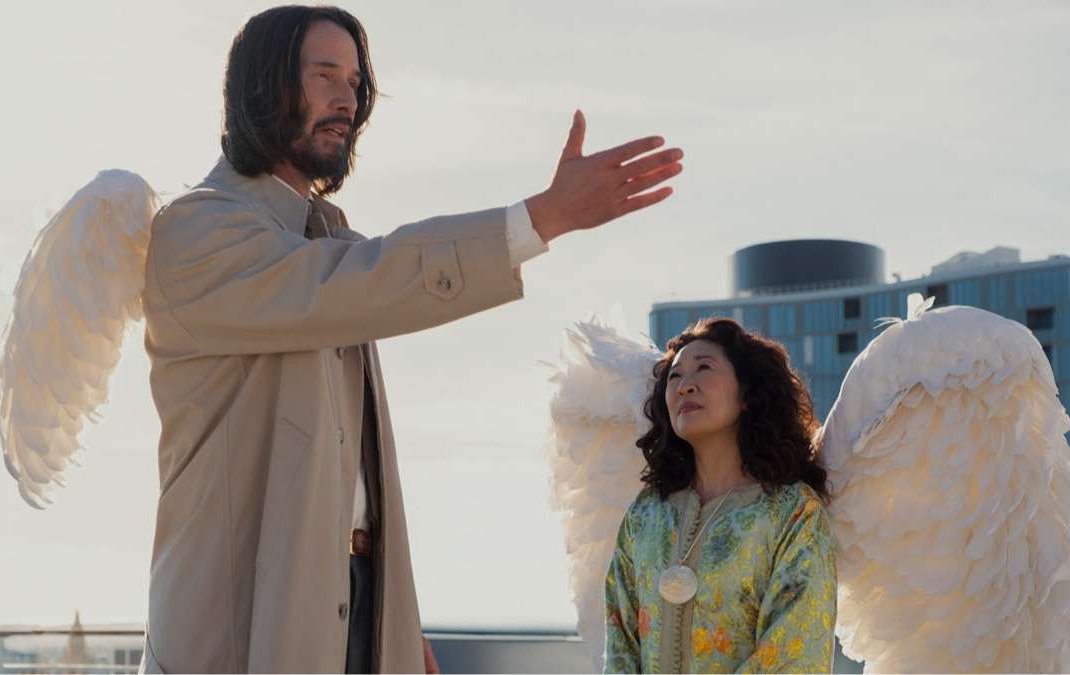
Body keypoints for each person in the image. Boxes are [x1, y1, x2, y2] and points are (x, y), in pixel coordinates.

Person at [139, 5, 684, 674]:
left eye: (355, 82)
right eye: (324, 75)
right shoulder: (197, 231)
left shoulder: (324, 239)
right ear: (263, 86)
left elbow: (346, 469)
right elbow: (362, 280)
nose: (348, 100)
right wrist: (539, 219)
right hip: (236, 629)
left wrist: (391, 615)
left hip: (354, 608)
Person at [604, 318, 836, 673]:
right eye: (675, 376)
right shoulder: (646, 514)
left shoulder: (793, 512)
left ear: (747, 393)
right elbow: (619, 640)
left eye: (703, 368)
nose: (684, 386)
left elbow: (796, 652)